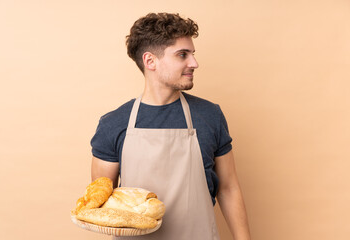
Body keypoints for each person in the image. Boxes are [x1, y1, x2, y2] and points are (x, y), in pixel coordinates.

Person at [90, 13, 251, 240]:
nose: (194, 63)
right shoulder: (113, 124)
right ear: (150, 61)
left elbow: (228, 188)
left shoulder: (209, 115)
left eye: (192, 54)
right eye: (182, 55)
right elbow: (102, 201)